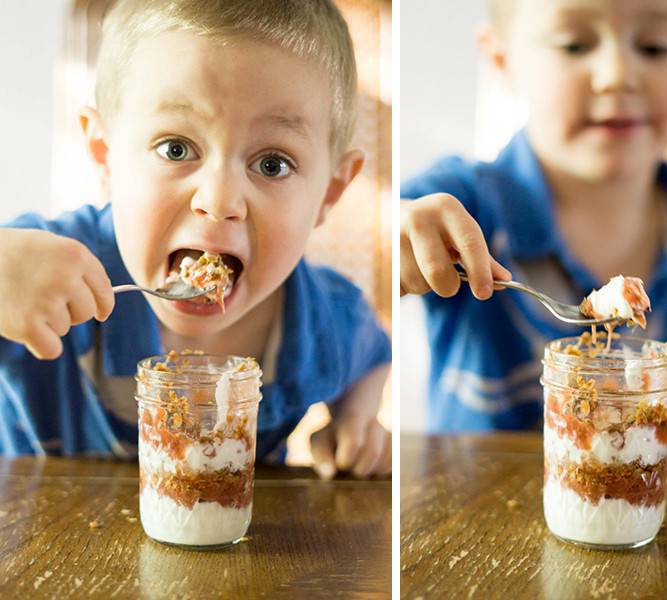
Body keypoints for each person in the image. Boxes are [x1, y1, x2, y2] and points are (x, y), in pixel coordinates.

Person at [0, 0, 391, 479]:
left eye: (272, 164)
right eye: (176, 148)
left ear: (329, 192)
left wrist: (357, 418)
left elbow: (373, 356)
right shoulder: (37, 272)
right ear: (104, 156)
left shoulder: (326, 319)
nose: (220, 199)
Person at [399, 0, 667, 460]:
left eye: (654, 47)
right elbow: (399, 225)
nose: (616, 75)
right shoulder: (465, 208)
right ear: (502, 58)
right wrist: (401, 232)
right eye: (574, 44)